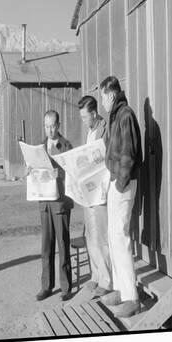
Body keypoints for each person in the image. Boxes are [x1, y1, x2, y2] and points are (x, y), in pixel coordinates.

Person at [99, 76, 142, 318]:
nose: (102, 102)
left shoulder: (125, 115)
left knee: (121, 237)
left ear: (111, 95)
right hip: (117, 182)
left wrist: (120, 183)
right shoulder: (116, 115)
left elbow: (129, 154)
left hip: (123, 185)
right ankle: (119, 288)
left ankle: (131, 298)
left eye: (103, 97)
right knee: (113, 237)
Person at [34, 110, 73, 302]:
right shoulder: (39, 147)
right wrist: (29, 170)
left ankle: (66, 287)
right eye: (46, 126)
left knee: (63, 244)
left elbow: (73, 173)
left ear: (58, 125)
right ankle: (46, 286)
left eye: (52, 126)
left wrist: (62, 174)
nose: (49, 130)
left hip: (60, 203)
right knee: (46, 246)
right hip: (44, 202)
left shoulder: (66, 146)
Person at [78, 95, 112, 298]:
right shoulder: (89, 131)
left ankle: (107, 279)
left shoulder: (104, 128)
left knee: (101, 236)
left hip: (100, 189)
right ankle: (96, 275)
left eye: (84, 117)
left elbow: (106, 157)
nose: (83, 121)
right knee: (90, 235)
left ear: (93, 113)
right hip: (88, 190)